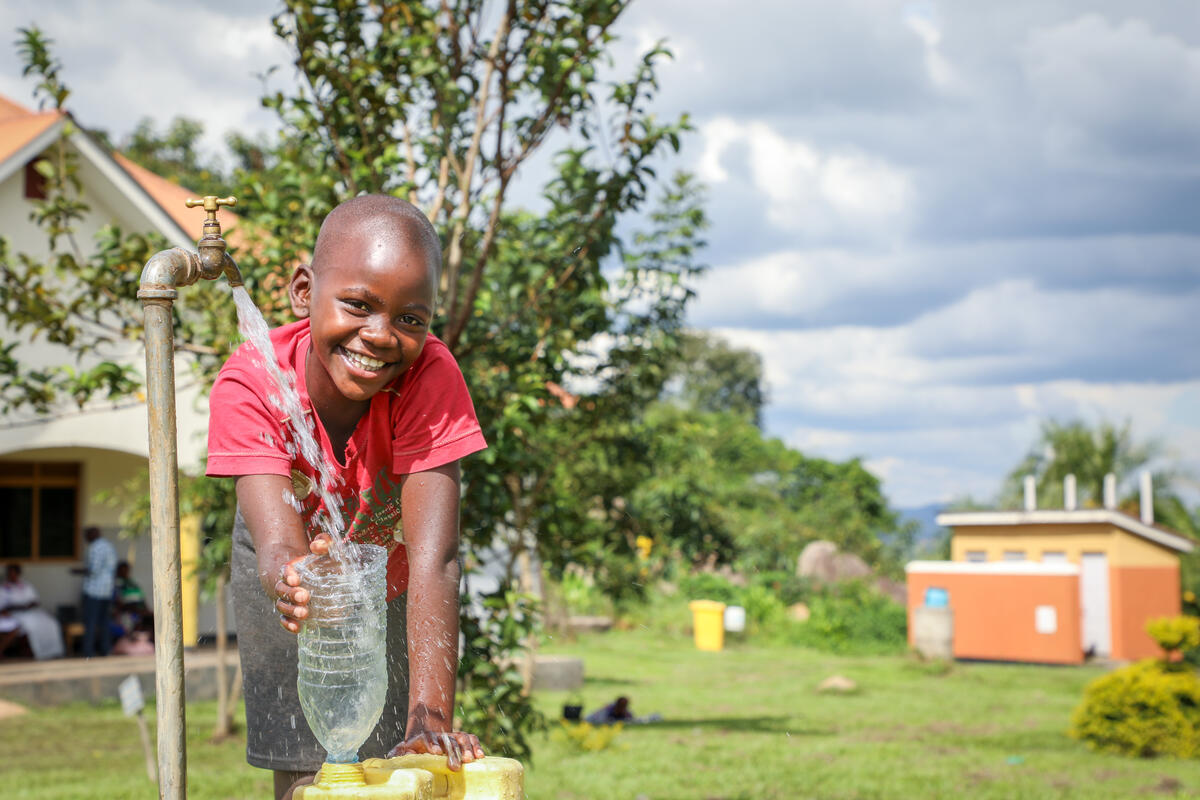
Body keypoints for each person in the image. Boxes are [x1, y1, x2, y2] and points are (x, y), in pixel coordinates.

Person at [206, 195, 488, 800]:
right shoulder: (253, 382)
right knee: (311, 775)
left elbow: (435, 556)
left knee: (397, 763)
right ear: (304, 291)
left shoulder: (429, 378)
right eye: (358, 305)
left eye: (411, 319)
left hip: (390, 572)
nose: (381, 336)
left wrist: (430, 719)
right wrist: (296, 577)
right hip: (283, 577)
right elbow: (278, 544)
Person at [0, 564, 64, 660]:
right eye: (10, 573)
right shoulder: (3, 588)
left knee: (50, 622)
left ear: (18, 574)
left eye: (14, 573)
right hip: (14, 614)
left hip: (30, 612)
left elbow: (35, 601)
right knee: (28, 624)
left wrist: (28, 605)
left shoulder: (26, 585)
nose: (12, 576)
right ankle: (38, 651)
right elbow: (3, 607)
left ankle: (52, 651)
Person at [75, 526, 117, 657]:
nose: (85, 539)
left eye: (86, 536)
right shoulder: (109, 546)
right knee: (104, 621)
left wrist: (78, 571)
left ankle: (88, 652)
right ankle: (105, 650)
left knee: (90, 622)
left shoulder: (95, 547)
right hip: (107, 590)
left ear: (92, 535)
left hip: (94, 591)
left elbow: (94, 570)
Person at [112, 561, 149, 636]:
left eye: (126, 570)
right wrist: (137, 610)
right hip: (128, 613)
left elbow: (142, 599)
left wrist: (146, 610)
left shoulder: (133, 584)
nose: (125, 573)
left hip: (140, 611)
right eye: (122, 571)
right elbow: (119, 603)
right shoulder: (117, 584)